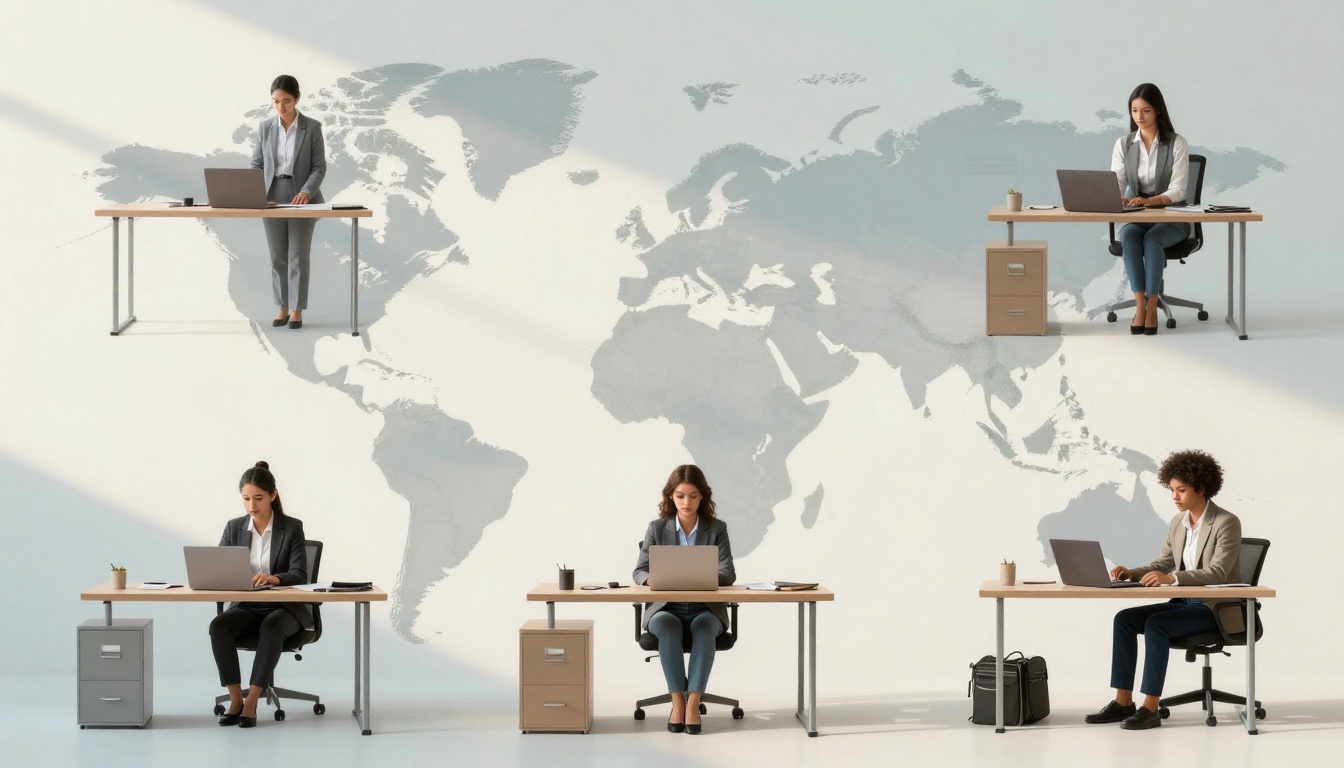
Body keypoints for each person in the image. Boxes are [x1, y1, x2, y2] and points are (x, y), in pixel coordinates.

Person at [1085, 450, 1241, 730]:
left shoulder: (1226, 523)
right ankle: (1123, 702)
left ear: (1201, 488)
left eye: (1181, 490)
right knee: (1125, 619)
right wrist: (1130, 573)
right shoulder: (1177, 524)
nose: (1175, 497)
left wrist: (1172, 579)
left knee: (1157, 624)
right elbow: (1163, 562)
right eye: (1171, 490)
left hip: (1214, 608)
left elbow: (1218, 572)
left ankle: (1150, 707)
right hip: (1184, 602)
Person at [632, 464, 735, 735]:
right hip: (666, 608)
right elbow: (639, 570)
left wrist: (703, 578)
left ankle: (694, 702)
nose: (686, 502)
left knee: (703, 627)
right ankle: (678, 700)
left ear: (702, 497)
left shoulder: (716, 529)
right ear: (670, 496)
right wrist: (651, 580)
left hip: (705, 609)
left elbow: (728, 572)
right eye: (680, 496)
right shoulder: (657, 528)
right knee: (667, 624)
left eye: (693, 496)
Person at [209, 461, 312, 728]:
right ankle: (235, 699)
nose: (251, 505)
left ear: (272, 496)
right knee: (219, 626)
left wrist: (274, 578)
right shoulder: (234, 528)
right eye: (245, 499)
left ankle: (252, 701)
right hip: (247, 606)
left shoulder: (291, 528)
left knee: (272, 625)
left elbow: (300, 574)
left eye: (258, 498)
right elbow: (219, 567)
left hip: (284, 608)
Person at [1110, 83, 1191, 336]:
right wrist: (1118, 197)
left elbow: (1178, 190)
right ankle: (1140, 306)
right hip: (1138, 215)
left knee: (1152, 238)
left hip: (1172, 217)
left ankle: (1153, 306)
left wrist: (1150, 201)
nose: (1139, 117)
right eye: (1134, 111)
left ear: (1158, 112)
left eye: (1145, 110)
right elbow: (1116, 182)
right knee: (1130, 236)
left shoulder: (1176, 143)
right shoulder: (1124, 144)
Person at [251, 74, 326, 330]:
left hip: (302, 197)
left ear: (297, 99)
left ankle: (296, 310)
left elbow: (319, 166)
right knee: (278, 257)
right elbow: (257, 164)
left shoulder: (312, 128)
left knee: (297, 257)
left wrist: (306, 191)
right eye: (275, 101)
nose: (280, 107)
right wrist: (252, 189)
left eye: (286, 101)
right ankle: (281, 306)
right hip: (271, 196)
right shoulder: (265, 128)